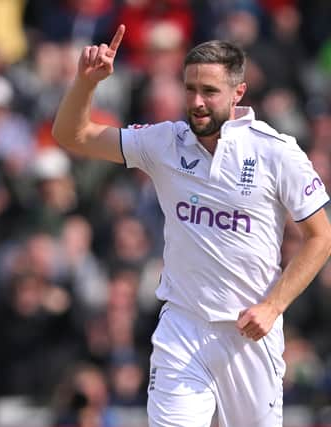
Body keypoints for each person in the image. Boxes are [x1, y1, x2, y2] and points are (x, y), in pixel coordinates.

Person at [52, 25, 331, 427]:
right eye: (190, 90)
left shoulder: (276, 152)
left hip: (248, 335)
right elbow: (72, 135)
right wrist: (85, 83)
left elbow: (321, 238)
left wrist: (273, 306)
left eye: (210, 92)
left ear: (238, 93)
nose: (197, 103)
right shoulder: (164, 141)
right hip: (182, 328)